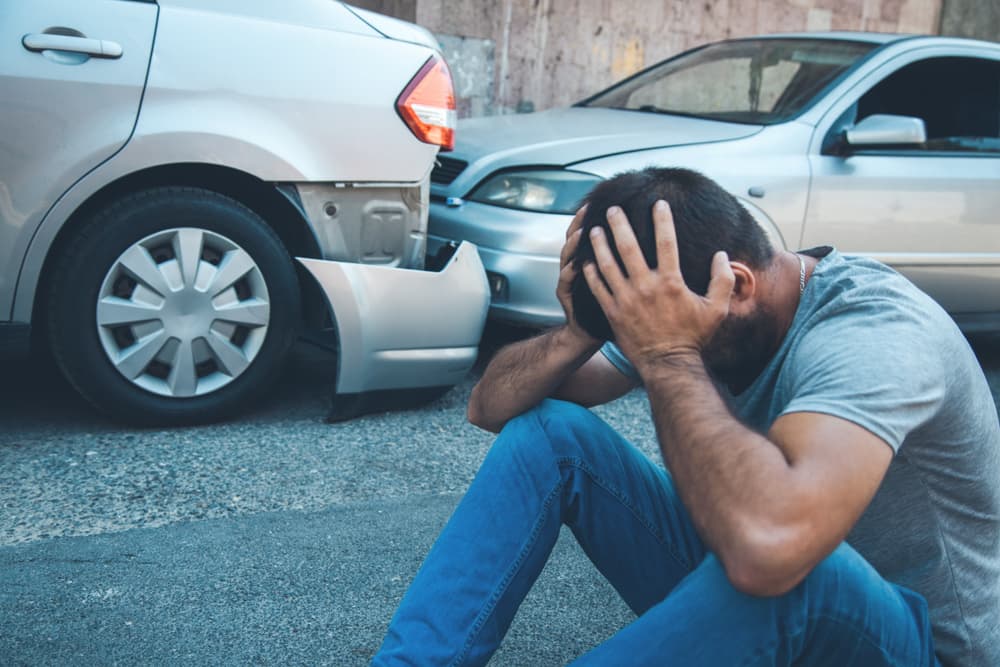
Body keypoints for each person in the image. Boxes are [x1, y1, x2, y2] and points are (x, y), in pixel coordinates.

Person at [372, 167, 1000, 666]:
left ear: (741, 286)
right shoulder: (699, 294)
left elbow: (769, 553)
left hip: (914, 647)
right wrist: (579, 332)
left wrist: (668, 353)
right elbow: (491, 407)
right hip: (759, 576)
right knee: (549, 433)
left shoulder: (872, 336)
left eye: (658, 332)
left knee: (795, 578)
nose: (649, 342)